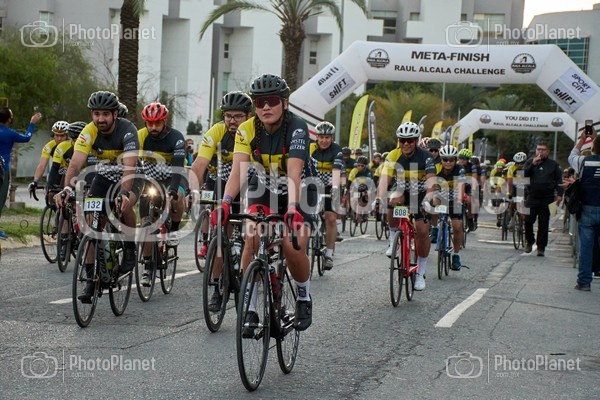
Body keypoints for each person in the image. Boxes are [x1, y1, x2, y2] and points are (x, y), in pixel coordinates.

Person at [210, 74, 315, 331]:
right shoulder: (246, 129)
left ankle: (303, 297)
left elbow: (294, 173)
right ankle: (251, 306)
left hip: (300, 189)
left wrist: (292, 208)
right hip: (265, 188)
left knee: (292, 245)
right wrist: (225, 203)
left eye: (272, 101)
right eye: (259, 102)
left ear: (284, 103)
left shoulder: (297, 128)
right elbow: (238, 172)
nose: (265, 107)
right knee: (252, 236)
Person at [54, 91, 140, 303]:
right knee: (91, 224)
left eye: (105, 114)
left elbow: (130, 166)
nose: (100, 119)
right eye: (96, 114)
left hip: (130, 176)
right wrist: (67, 189)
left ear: (114, 114)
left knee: (125, 206)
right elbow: (75, 163)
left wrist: (123, 193)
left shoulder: (128, 130)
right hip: (104, 177)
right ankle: (91, 280)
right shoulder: (88, 131)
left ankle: (130, 247)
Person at [191, 91, 253, 310]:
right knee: (220, 234)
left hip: (250, 181)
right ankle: (217, 287)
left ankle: (251, 272)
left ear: (248, 116)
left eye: (238, 116)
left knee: (253, 232)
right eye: (228, 116)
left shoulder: (254, 130)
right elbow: (200, 164)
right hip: (224, 181)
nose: (232, 120)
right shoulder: (216, 131)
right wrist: (192, 190)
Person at [376, 121, 436, 290]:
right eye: (402, 140)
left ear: (416, 141)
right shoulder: (393, 155)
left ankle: (420, 273)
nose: (406, 144)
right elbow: (384, 180)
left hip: (421, 192)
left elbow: (431, 182)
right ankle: (393, 239)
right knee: (392, 200)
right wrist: (379, 198)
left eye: (410, 140)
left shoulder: (426, 157)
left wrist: (428, 199)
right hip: (402, 190)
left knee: (421, 230)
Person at [137, 102, 187, 285]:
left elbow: (178, 168)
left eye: (157, 123)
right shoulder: (140, 136)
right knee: (146, 225)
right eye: (149, 123)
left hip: (173, 177)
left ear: (164, 121)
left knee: (177, 197)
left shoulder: (176, 138)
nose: (153, 127)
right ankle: (148, 266)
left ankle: (174, 230)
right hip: (152, 181)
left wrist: (173, 189)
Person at [0, 107, 43, 239]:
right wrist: (32, 123)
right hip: (2, 169)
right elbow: (26, 137)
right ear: (9, 119)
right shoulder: (10, 133)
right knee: (1, 198)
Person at [568, 128, 600, 291]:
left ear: (593, 147)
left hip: (587, 208)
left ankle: (584, 282)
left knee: (586, 248)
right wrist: (596, 138)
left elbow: (572, 156)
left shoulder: (583, 161)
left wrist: (583, 139)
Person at [424, 145, 465, 270]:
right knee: (434, 201)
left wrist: (459, 200)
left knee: (457, 227)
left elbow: (461, 186)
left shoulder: (460, 169)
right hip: (440, 194)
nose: (448, 162)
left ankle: (456, 255)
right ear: (441, 160)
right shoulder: (436, 168)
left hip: (454, 196)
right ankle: (435, 227)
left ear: (455, 160)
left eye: (451, 160)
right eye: (445, 159)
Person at [310, 120, 343, 270]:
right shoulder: (310, 148)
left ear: (332, 138)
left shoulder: (337, 150)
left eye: (327, 137)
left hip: (330, 186)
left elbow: (336, 170)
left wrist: (335, 188)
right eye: (321, 137)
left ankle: (329, 254)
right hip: (313, 185)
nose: (324, 140)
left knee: (330, 217)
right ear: (316, 137)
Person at [523, 141, 563, 256]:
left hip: (547, 198)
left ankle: (541, 247)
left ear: (547, 151)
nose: (540, 151)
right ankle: (530, 241)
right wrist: (532, 165)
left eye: (543, 149)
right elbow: (522, 177)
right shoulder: (529, 162)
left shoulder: (553, 164)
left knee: (544, 223)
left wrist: (559, 195)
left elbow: (559, 180)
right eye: (538, 149)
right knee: (528, 220)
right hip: (532, 197)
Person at [28, 120, 70, 202]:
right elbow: (42, 165)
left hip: (71, 171)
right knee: (50, 195)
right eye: (57, 135)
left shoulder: (72, 145)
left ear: (67, 135)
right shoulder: (49, 146)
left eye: (62, 136)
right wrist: (35, 181)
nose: (59, 138)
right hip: (59, 170)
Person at [346, 155, 374, 224]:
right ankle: (351, 211)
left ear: (365, 166)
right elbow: (350, 180)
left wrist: (369, 190)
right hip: (356, 187)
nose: (360, 167)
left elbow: (371, 182)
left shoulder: (368, 172)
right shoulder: (354, 170)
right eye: (358, 165)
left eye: (362, 166)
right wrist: (347, 188)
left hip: (365, 187)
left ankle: (365, 213)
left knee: (366, 197)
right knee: (353, 198)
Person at [457, 148, 479, 231]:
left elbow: (474, 179)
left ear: (468, 160)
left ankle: (470, 219)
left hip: (468, 185)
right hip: (458, 185)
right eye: (460, 158)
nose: (462, 160)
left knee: (470, 202)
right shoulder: (456, 165)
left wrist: (473, 189)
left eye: (464, 159)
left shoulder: (472, 166)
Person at [507, 152, 527, 231]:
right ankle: (512, 220)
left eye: (521, 163)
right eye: (517, 163)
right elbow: (509, 182)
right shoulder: (511, 168)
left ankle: (524, 221)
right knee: (512, 203)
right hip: (516, 187)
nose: (519, 165)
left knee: (524, 204)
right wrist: (508, 192)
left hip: (525, 187)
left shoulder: (527, 167)